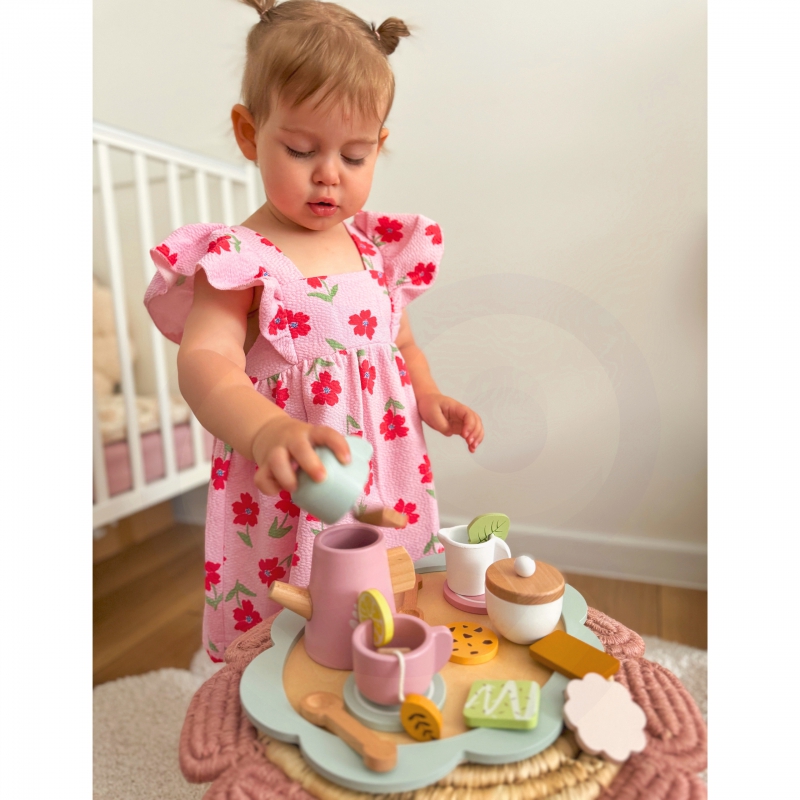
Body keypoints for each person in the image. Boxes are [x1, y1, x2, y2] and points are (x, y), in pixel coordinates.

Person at [145, 0, 483, 660]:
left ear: (379, 145)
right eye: (302, 150)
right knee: (288, 622)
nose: (329, 173)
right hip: (289, 483)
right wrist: (265, 429)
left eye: (355, 155)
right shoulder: (239, 258)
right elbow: (206, 361)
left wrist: (429, 396)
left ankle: (376, 680)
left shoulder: (375, 251)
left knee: (386, 599)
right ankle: (270, 700)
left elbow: (399, 344)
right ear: (250, 134)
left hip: (383, 468)